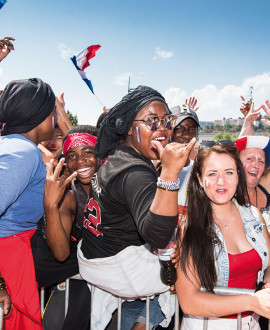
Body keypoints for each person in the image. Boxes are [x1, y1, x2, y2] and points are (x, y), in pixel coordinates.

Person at [77, 85, 196, 329]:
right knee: (187, 276)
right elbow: (159, 235)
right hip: (114, 268)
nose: (162, 128)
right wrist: (171, 173)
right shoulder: (135, 172)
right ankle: (144, 324)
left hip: (93, 257)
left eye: (166, 120)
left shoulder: (119, 155)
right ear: (131, 128)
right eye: (152, 120)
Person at [176, 141, 270, 329]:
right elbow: (188, 302)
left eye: (229, 172)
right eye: (212, 174)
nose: (221, 181)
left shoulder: (254, 216)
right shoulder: (191, 228)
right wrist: (252, 302)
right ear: (200, 180)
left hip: (251, 324)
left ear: (238, 176)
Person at [0, 78, 56, 329]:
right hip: (9, 258)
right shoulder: (24, 152)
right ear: (40, 116)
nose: (55, 118)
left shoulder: (13, 146)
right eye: (53, 111)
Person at [169, 104, 200, 224]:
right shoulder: (152, 170)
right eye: (179, 129)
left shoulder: (200, 172)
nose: (187, 135)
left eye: (192, 130)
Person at [234, 136, 270, 211]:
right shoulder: (226, 198)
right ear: (236, 163)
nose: (256, 165)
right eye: (249, 159)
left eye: (261, 161)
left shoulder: (266, 190)